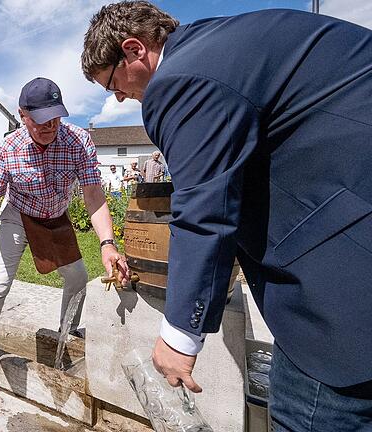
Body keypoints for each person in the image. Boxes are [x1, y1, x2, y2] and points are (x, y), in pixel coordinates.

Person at [81, 3, 372, 429]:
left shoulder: (180, 81)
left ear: (134, 50)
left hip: (341, 289)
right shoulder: (222, 45)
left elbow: (203, 208)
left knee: (303, 414)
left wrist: (180, 333)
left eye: (112, 84)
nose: (119, 96)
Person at [0, 77, 128, 423]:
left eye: (55, 118)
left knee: (78, 276)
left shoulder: (78, 141)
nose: (49, 126)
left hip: (56, 215)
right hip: (17, 214)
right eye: (41, 119)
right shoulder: (8, 148)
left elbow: (93, 196)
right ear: (22, 115)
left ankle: (66, 337)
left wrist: (107, 243)